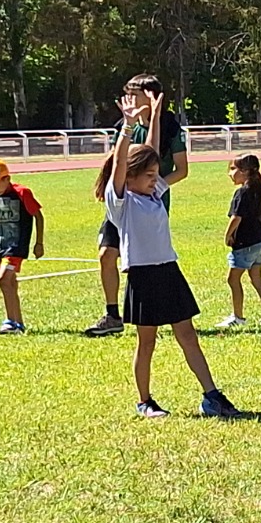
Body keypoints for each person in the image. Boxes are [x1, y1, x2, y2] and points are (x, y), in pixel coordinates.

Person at [105, 90, 239, 419]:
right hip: (143, 276)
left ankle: (212, 396)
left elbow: (151, 151)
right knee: (147, 342)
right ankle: (145, 401)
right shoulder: (121, 202)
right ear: (130, 177)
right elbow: (120, 163)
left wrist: (155, 114)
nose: (156, 181)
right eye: (149, 176)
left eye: (156, 175)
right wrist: (127, 127)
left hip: (168, 270)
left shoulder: (153, 194)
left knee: (188, 335)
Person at [85, 75, 188, 338]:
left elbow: (166, 162)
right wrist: (129, 125)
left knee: (151, 267)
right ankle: (112, 314)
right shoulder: (124, 128)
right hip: (124, 205)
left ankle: (156, 315)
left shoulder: (169, 128)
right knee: (106, 254)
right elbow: (118, 163)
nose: (129, 98)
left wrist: (153, 184)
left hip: (147, 209)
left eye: (135, 93)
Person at [0, 158, 44, 335]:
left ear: (7, 178)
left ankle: (10, 321)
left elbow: (38, 216)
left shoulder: (22, 193)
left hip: (16, 245)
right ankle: (18, 322)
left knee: (3, 279)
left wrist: (39, 243)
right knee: (10, 283)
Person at [216, 153, 261, 328]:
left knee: (233, 279)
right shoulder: (259, 190)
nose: (230, 173)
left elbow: (236, 217)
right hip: (260, 241)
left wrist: (228, 235)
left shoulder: (242, 192)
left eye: (233, 169)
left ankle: (238, 317)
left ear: (244, 171)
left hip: (246, 243)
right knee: (257, 278)